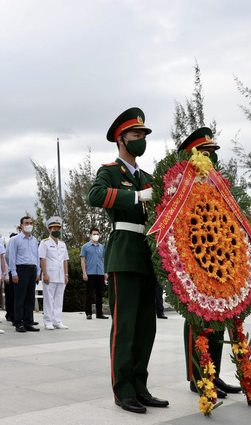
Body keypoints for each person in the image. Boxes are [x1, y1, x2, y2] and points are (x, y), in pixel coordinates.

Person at [86, 108, 168, 413]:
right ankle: (123, 390)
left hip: (148, 254)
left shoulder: (147, 177)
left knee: (147, 326)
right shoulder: (109, 171)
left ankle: (140, 386)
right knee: (124, 326)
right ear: (121, 139)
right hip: (123, 252)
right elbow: (94, 196)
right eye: (136, 135)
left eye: (144, 135)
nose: (141, 140)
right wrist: (135, 197)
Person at [177, 128, 243, 399]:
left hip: (219, 257)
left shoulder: (217, 183)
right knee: (197, 317)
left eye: (212, 153)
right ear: (191, 155)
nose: (209, 158)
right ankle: (198, 377)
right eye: (204, 154)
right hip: (195, 256)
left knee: (217, 318)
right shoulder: (182, 182)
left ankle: (213, 375)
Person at [8, 216, 40, 333]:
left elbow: (36, 257)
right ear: (21, 225)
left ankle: (28, 322)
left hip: (32, 269)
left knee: (30, 298)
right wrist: (14, 273)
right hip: (21, 269)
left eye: (31, 223)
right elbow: (12, 257)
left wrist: (38, 271)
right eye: (26, 223)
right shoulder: (15, 240)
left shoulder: (34, 240)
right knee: (19, 298)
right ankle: (18, 322)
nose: (29, 225)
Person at [39, 217, 70, 330]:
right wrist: (45, 274)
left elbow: (65, 260)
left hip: (61, 275)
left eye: (58, 228)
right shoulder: (44, 243)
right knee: (49, 299)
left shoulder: (62, 244)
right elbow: (42, 259)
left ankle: (57, 321)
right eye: (54, 228)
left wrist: (66, 275)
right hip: (50, 275)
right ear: (49, 230)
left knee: (59, 299)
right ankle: (48, 321)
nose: (56, 230)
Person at [80, 228, 108, 320]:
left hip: (100, 273)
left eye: (97, 234)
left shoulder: (101, 247)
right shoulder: (85, 247)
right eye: (94, 234)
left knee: (99, 294)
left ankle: (99, 313)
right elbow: (83, 260)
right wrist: (84, 273)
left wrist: (105, 272)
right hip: (90, 273)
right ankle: (88, 312)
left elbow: (103, 260)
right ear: (90, 235)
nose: (96, 235)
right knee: (89, 294)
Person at [3, 232, 18, 323]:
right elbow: (6, 263)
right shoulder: (7, 249)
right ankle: (10, 314)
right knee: (10, 297)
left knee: (16, 296)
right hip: (9, 274)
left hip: (17, 273)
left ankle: (17, 315)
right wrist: (7, 276)